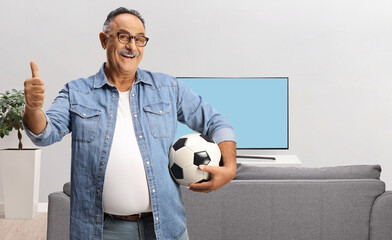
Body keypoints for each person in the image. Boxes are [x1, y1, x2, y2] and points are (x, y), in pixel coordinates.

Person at [23, 7, 237, 240]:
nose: (132, 47)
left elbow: (216, 122)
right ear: (104, 40)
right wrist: (33, 109)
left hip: (165, 228)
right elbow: (44, 134)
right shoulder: (76, 92)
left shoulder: (168, 88)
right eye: (123, 37)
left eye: (140, 39)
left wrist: (230, 167)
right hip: (102, 231)